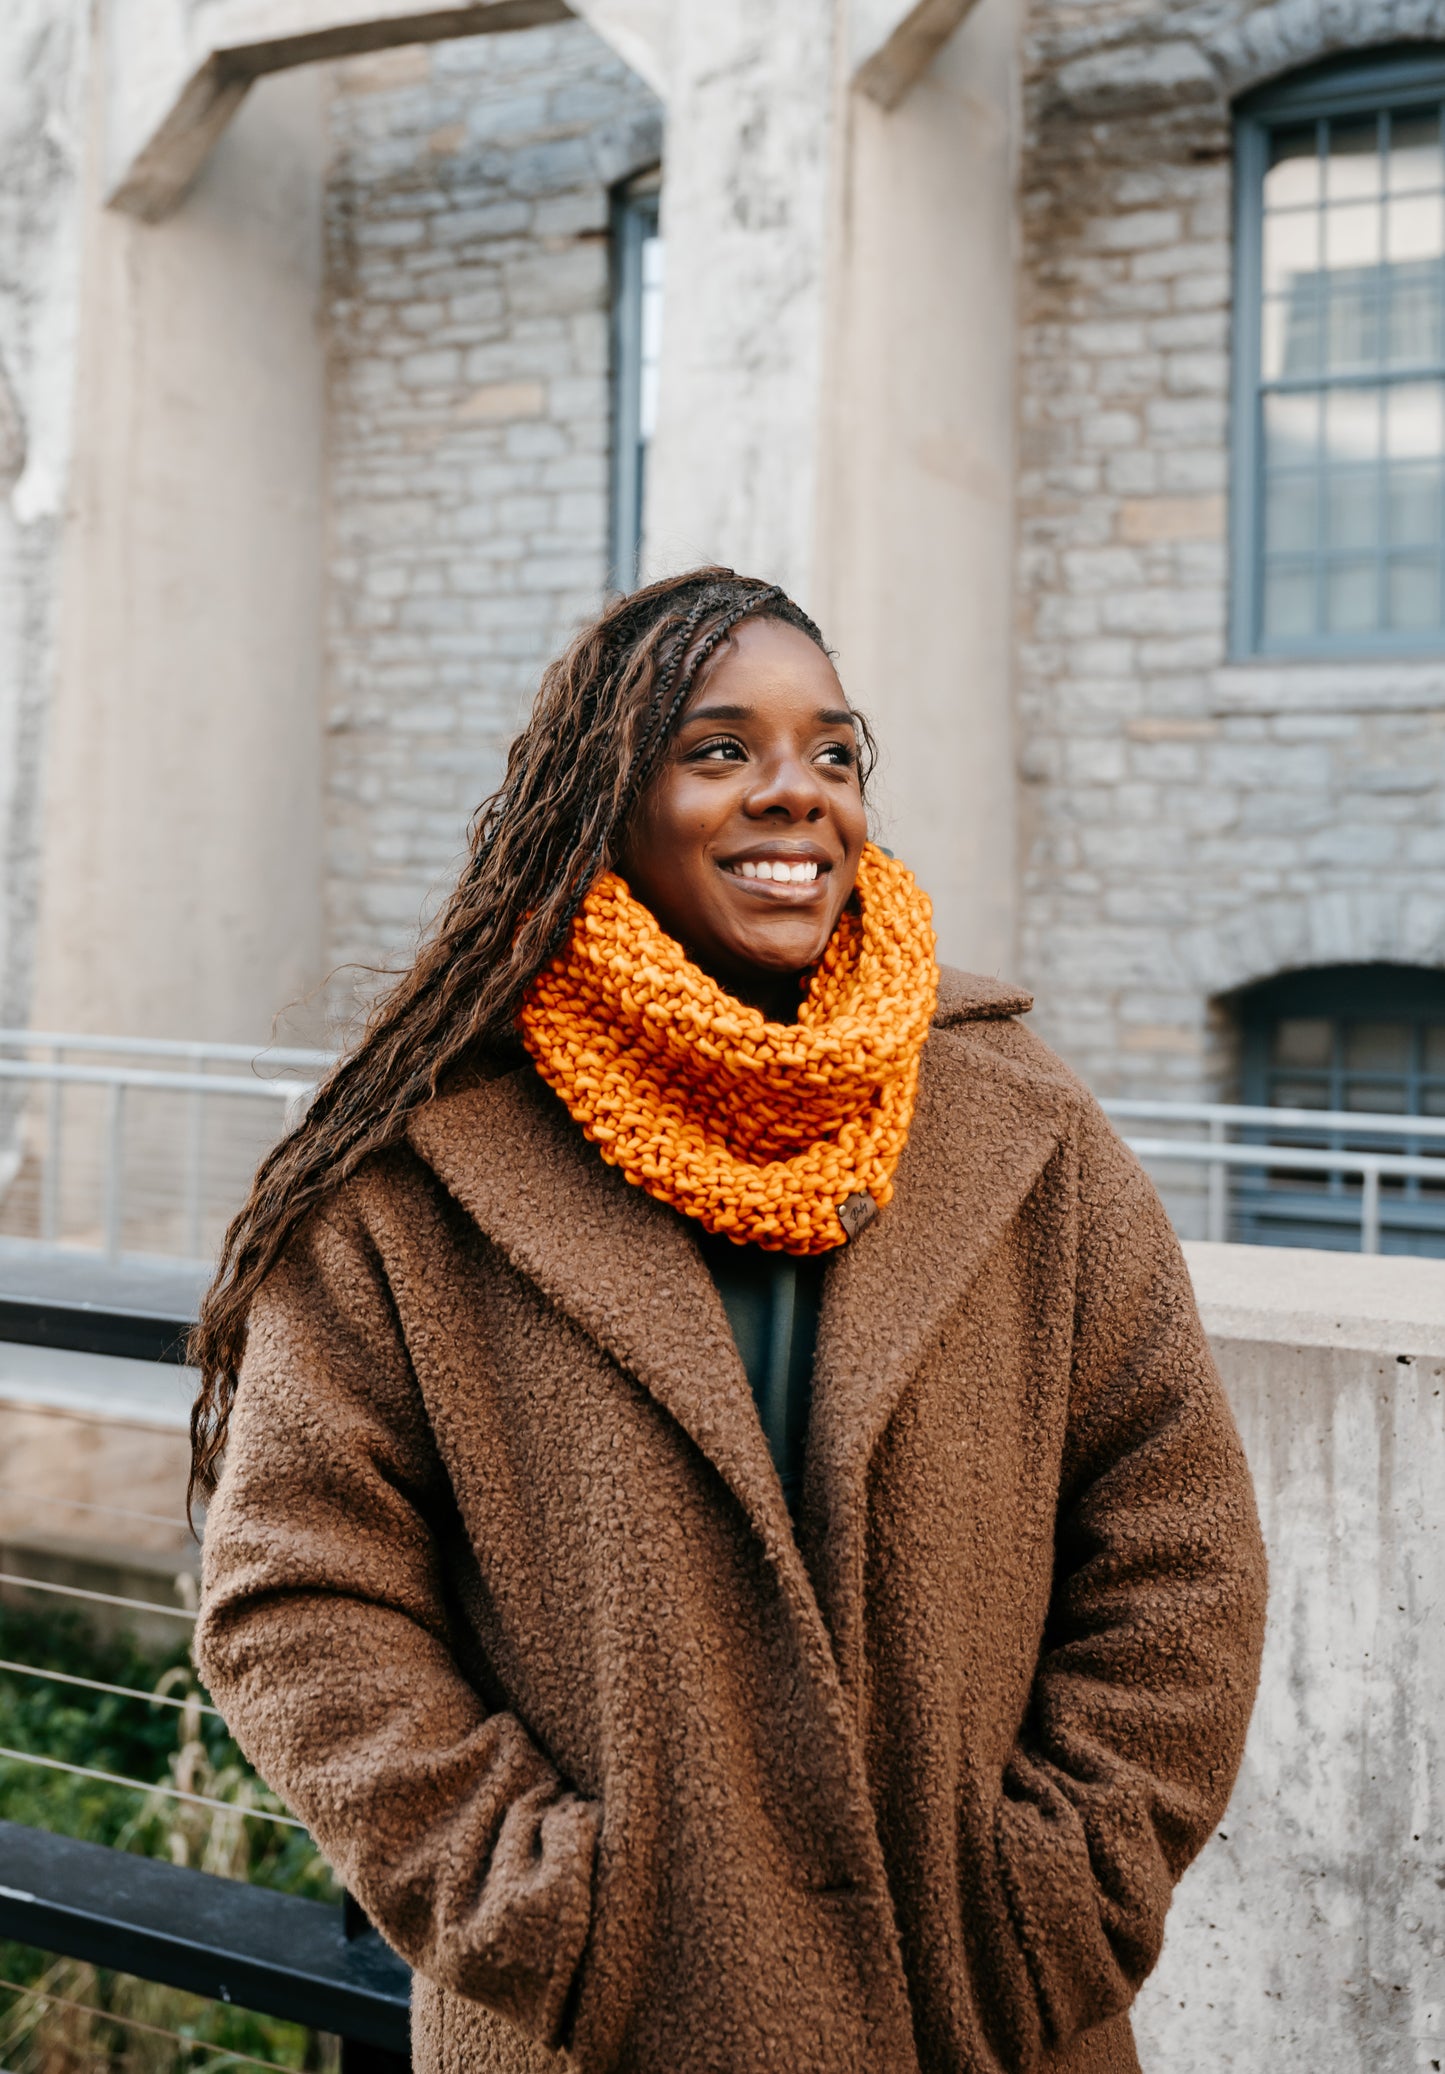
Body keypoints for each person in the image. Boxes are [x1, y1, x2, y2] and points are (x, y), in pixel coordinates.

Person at [191, 568, 1267, 2074]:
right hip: (605, 2028)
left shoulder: (1020, 1121)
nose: (796, 793)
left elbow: (1178, 1539)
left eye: (833, 753)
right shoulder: (424, 1160)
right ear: (602, 801)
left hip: (984, 2021)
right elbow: (297, 1591)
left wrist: (1055, 1892)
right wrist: (533, 1902)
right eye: (719, 751)